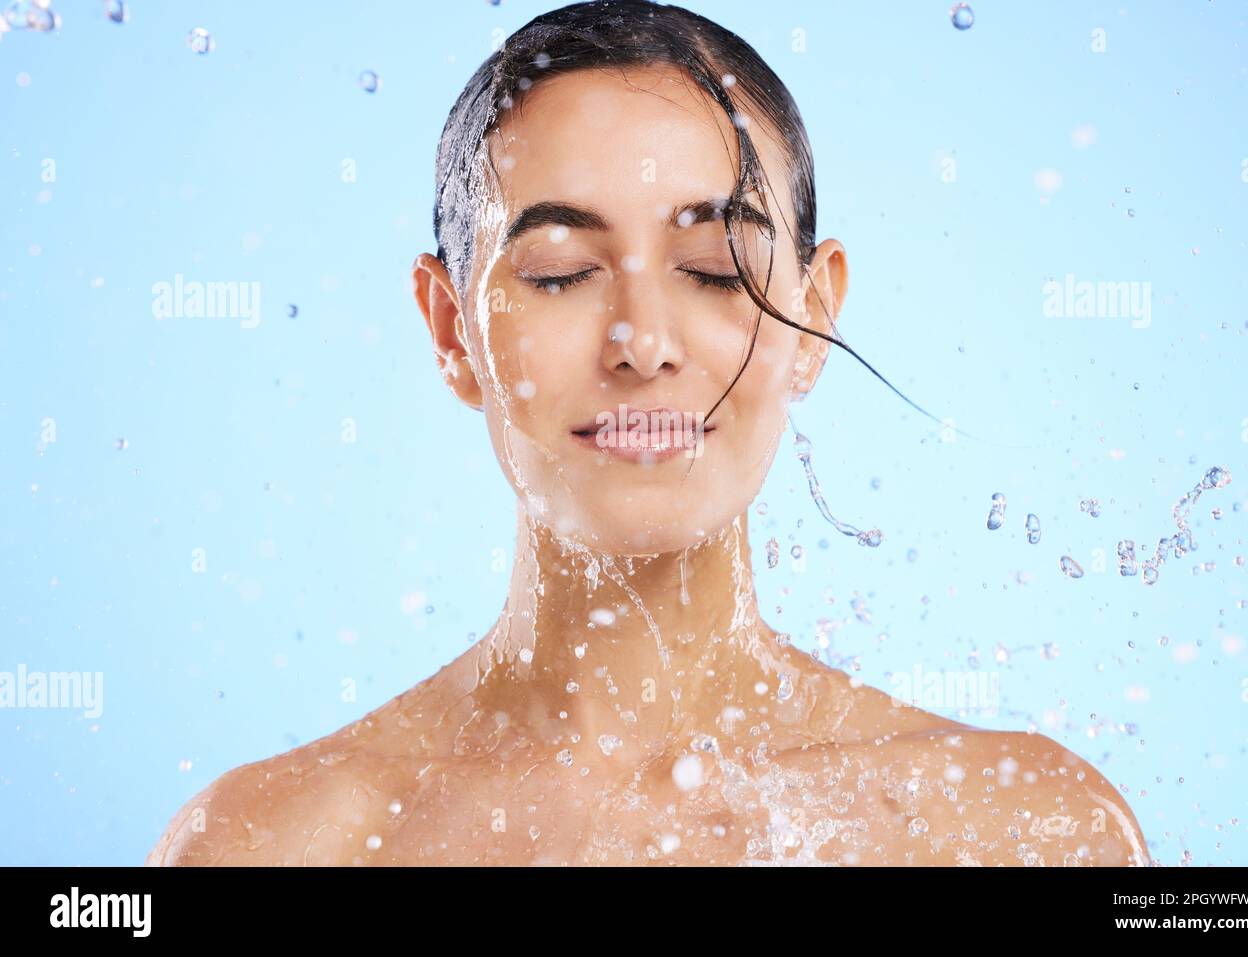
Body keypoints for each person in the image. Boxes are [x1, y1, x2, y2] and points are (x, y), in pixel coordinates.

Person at [147, 0, 1149, 866]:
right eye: (557, 271)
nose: (641, 341)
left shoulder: (1019, 833)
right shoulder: (274, 845)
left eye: (717, 269)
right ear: (453, 331)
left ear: (814, 321)